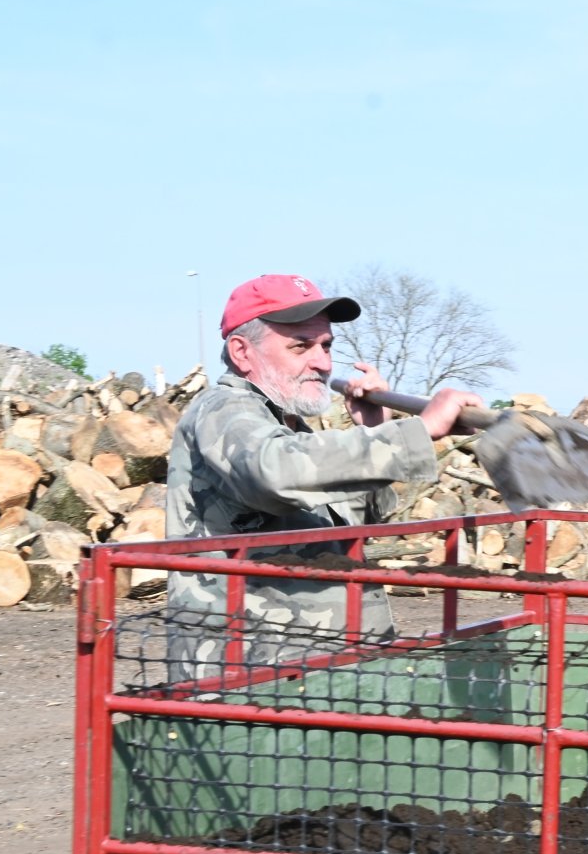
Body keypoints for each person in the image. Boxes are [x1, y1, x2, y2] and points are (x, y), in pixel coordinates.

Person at [163, 273, 483, 681]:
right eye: (300, 346)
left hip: (315, 671)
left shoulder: (289, 426)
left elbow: (350, 526)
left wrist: (370, 430)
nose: (323, 362)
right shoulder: (223, 411)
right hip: (248, 683)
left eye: (326, 346)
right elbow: (274, 470)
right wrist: (417, 431)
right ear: (242, 352)